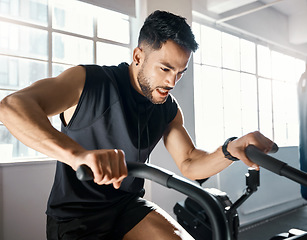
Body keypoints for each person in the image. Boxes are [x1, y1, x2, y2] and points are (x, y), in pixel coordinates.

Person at [0, 10, 274, 240]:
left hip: (127, 207)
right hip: (76, 218)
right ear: (138, 56)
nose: (171, 82)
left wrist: (229, 150)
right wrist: (78, 155)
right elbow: (12, 107)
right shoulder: (90, 82)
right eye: (165, 69)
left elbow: (190, 162)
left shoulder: (167, 107)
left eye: (180, 73)